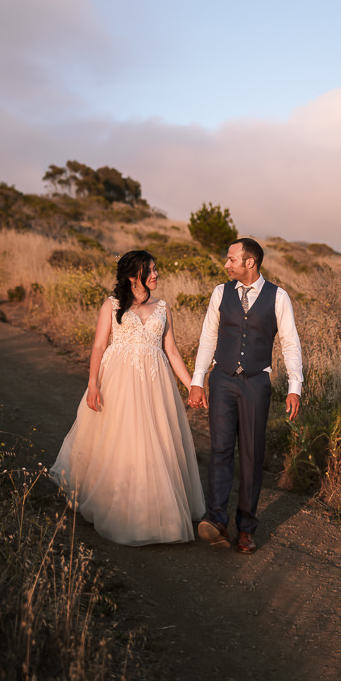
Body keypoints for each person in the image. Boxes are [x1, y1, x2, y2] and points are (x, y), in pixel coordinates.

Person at [50, 250, 205, 545]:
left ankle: (158, 512)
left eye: (157, 269)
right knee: (119, 439)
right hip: (118, 380)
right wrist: (93, 384)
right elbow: (98, 346)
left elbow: (171, 351)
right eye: (151, 270)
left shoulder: (163, 307)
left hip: (155, 383)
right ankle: (119, 507)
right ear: (134, 276)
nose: (157, 275)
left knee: (156, 441)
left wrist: (192, 385)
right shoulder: (112, 305)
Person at [189, 237, 302, 554]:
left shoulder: (278, 297)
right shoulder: (220, 293)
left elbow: (290, 344)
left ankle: (246, 530)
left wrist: (295, 387)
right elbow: (208, 337)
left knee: (252, 456)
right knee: (220, 449)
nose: (226, 265)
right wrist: (198, 380)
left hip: (256, 383)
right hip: (222, 379)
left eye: (231, 259)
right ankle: (218, 520)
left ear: (249, 262)